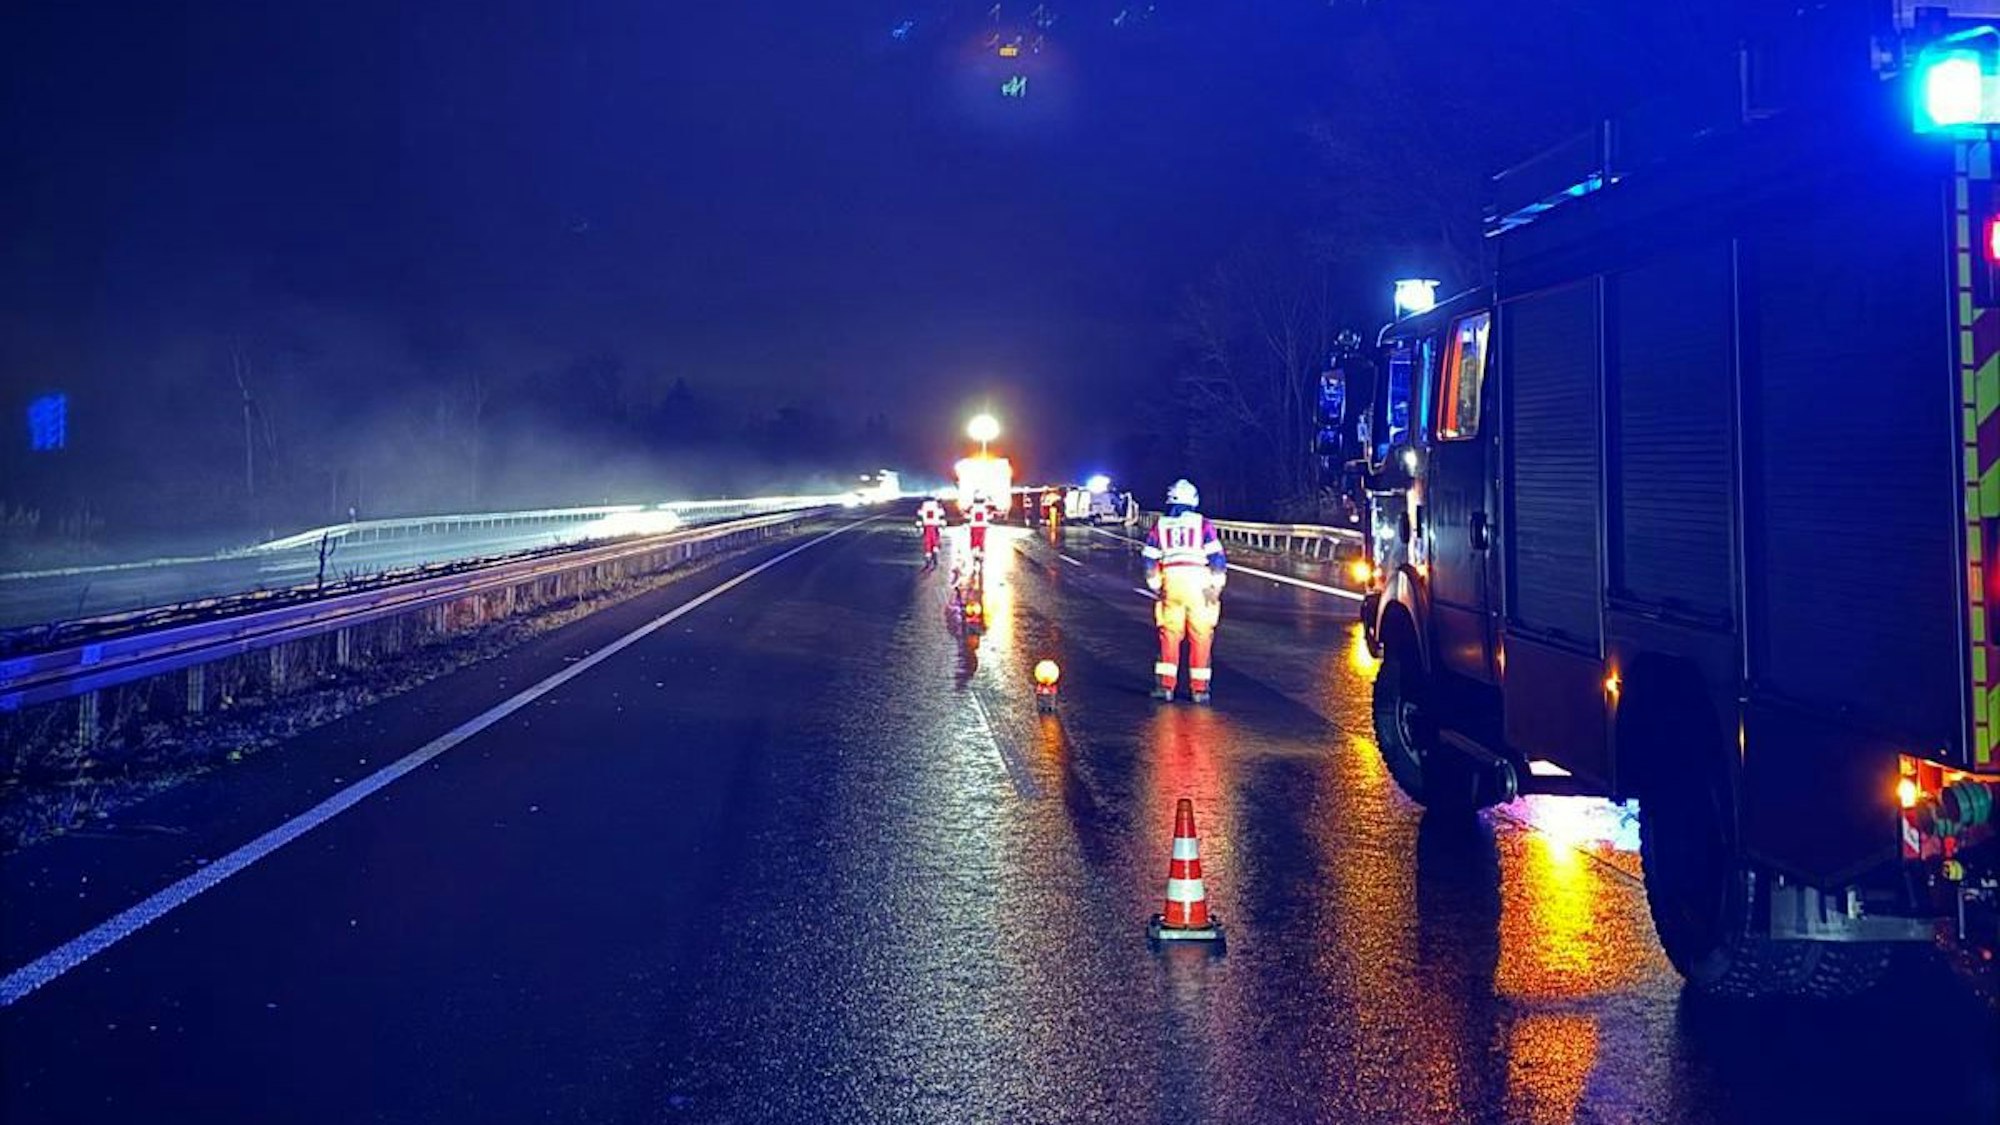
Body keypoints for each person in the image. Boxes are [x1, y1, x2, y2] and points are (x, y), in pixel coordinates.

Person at [1144, 478, 1226, 703]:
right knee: (1201, 635)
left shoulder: (1161, 525)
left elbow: (1149, 559)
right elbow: (1217, 558)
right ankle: (1199, 690)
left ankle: (1165, 687)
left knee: (1170, 635)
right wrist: (1217, 586)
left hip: (1172, 582)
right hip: (1199, 583)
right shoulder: (1203, 524)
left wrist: (1156, 586)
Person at [917, 495, 947, 568]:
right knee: (935, 540)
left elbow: (920, 515)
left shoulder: (924, 506)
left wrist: (919, 525)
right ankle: (935, 552)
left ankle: (928, 556)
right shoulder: (936, 506)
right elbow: (941, 514)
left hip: (927, 527)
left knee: (927, 542)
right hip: (935, 526)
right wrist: (942, 523)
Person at [966, 491, 992, 555]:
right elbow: (989, 516)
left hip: (974, 527)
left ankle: (974, 551)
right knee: (981, 540)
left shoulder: (972, 508)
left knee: (974, 539)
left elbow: (968, 516)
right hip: (982, 526)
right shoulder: (985, 509)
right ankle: (981, 551)